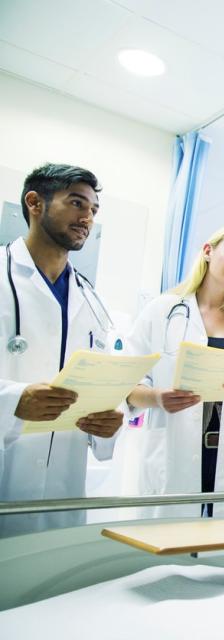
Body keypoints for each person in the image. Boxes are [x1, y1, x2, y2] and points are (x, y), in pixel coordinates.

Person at [125, 223, 224, 518]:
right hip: (175, 455)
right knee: (173, 552)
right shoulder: (161, 311)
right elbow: (127, 384)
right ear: (208, 252)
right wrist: (157, 397)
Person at [0, 163, 124, 536]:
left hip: (63, 495)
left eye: (93, 210)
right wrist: (12, 402)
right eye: (76, 203)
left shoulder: (92, 300)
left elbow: (104, 383)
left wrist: (108, 422)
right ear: (35, 203)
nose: (87, 217)